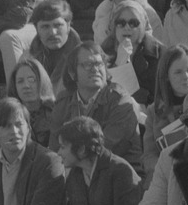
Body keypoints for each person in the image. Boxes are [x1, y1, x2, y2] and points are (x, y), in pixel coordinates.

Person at [49, 42, 143, 173]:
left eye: (99, 64)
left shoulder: (120, 100)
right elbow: (55, 147)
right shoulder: (63, 101)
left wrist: (68, 157)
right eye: (88, 65)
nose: (95, 69)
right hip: (76, 174)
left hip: (117, 175)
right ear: (72, 73)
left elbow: (104, 147)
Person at [142, 44, 188, 184]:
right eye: (178, 72)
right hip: (165, 180)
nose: (186, 77)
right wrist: (166, 173)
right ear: (166, 77)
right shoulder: (154, 111)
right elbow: (149, 155)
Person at [101, 1, 165, 106]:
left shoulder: (161, 53)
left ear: (144, 25)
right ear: (114, 26)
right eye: (120, 23)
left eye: (133, 23)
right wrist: (119, 63)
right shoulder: (102, 53)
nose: (127, 27)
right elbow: (102, 94)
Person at [25, 0, 81, 93]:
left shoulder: (84, 58)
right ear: (37, 29)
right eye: (45, 26)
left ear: (68, 26)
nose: (53, 33)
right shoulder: (27, 59)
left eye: (58, 25)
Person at [7, 57, 56, 147]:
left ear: (42, 81)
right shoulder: (8, 113)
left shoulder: (56, 111)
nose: (26, 85)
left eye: (32, 80)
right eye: (20, 81)